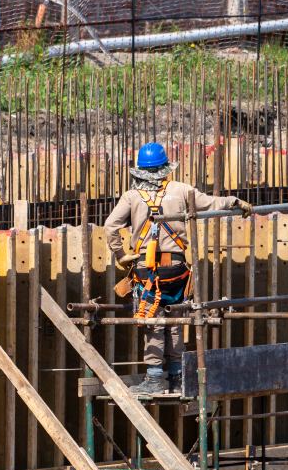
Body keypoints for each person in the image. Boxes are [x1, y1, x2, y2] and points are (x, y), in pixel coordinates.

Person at [104, 142, 254, 397]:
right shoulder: (182, 190)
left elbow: (110, 226)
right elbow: (211, 203)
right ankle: (176, 375)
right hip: (176, 269)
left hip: (146, 270)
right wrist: (236, 201)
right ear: (165, 168)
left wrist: (121, 255)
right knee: (175, 320)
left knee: (153, 319)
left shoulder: (132, 196)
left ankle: (154, 380)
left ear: (140, 171)